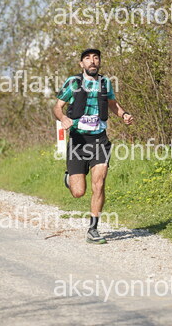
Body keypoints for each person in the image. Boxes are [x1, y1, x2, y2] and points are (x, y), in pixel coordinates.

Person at [53, 48, 134, 244]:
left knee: (99, 183)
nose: (92, 61)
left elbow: (112, 103)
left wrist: (123, 114)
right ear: (82, 64)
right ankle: (69, 178)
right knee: (78, 192)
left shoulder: (105, 82)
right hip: (78, 141)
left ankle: (93, 228)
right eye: (88, 58)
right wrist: (63, 118)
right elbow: (57, 106)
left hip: (99, 140)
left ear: (99, 62)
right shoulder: (73, 82)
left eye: (96, 58)